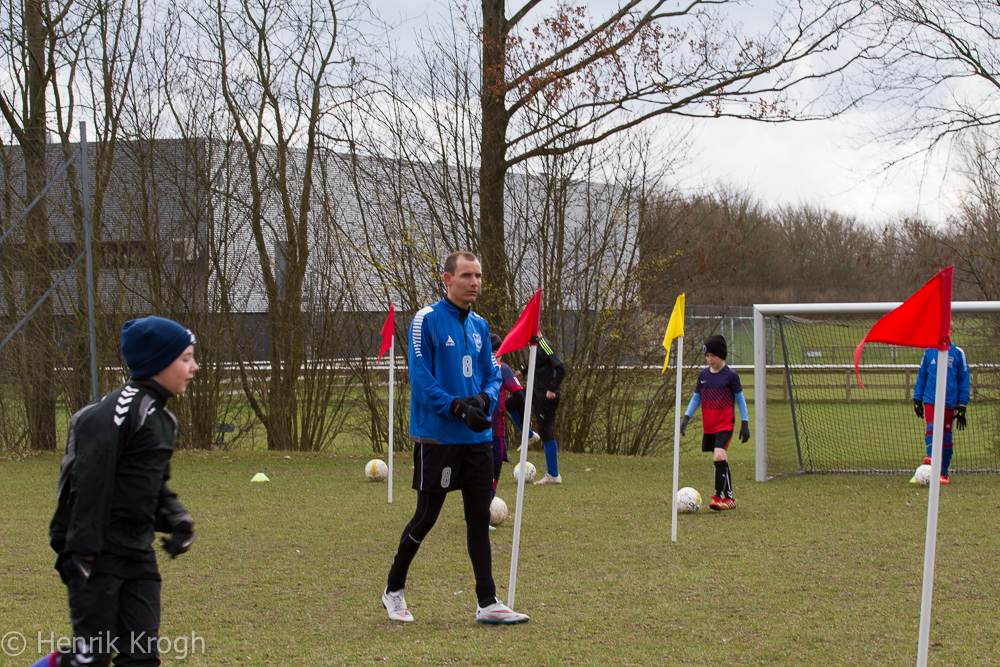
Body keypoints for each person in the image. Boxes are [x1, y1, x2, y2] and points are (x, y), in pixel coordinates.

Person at [38, 316, 198, 667]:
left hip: (138, 554)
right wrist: (80, 551)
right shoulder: (119, 411)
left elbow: (149, 484)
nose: (194, 367)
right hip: (96, 555)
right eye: (185, 358)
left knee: (141, 659)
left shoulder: (165, 420)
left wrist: (177, 519)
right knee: (89, 659)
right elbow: (90, 483)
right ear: (158, 363)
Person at [381, 251, 529, 625]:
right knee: (426, 517)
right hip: (438, 438)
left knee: (479, 517)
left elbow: (492, 374)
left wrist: (484, 400)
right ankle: (393, 590)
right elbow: (420, 379)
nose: (474, 283)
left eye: (478, 276)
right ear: (447, 279)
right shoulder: (425, 320)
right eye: (466, 276)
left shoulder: (480, 325)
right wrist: (457, 407)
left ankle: (487, 602)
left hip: (476, 440)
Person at [679, 334, 749, 511]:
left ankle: (718, 497)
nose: (710, 359)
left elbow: (740, 399)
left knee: (718, 456)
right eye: (707, 356)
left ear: (721, 355)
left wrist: (745, 423)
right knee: (721, 459)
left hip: (725, 425)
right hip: (709, 426)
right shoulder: (703, 375)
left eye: (713, 356)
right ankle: (730, 498)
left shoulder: (731, 376)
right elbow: (696, 397)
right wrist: (686, 417)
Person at [487, 333, 536, 502]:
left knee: (473, 472)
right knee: (493, 471)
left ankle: (472, 510)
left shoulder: (472, 366)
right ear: (500, 352)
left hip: (471, 430)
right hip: (494, 431)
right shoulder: (502, 368)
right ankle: (484, 508)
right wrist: (524, 421)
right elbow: (519, 395)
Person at [912, 343, 970, 484]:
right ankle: (932, 463)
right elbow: (922, 375)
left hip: (950, 402)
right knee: (931, 427)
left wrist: (962, 406)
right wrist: (917, 398)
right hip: (931, 400)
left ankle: (943, 472)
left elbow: (964, 380)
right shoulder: (929, 351)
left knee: (946, 437)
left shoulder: (958, 353)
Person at [514, 332, 566, 485]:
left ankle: (553, 475)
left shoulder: (545, 345)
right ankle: (529, 435)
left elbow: (561, 369)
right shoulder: (534, 345)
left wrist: (552, 388)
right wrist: (523, 372)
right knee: (513, 401)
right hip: (535, 391)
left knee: (545, 430)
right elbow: (537, 363)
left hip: (547, 396)